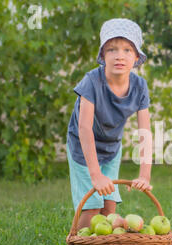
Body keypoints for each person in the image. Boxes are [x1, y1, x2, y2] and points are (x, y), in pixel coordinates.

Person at [66, 18, 153, 231]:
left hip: (111, 149)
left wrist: (144, 174)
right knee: (91, 211)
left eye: (127, 49)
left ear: (136, 57)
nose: (119, 55)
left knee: (109, 209)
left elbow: (145, 132)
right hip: (82, 148)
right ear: (103, 55)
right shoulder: (92, 82)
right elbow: (84, 127)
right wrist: (95, 175)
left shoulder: (140, 86)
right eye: (112, 49)